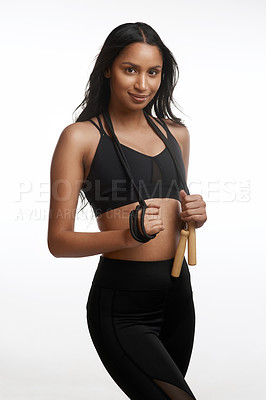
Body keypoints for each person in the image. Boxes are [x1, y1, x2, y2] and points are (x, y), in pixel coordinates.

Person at [47, 22, 207, 400]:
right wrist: (127, 236)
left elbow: (173, 213)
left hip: (178, 296)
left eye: (153, 72)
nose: (142, 85)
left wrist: (195, 217)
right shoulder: (81, 137)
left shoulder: (176, 134)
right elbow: (58, 241)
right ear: (107, 69)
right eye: (130, 69)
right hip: (123, 306)